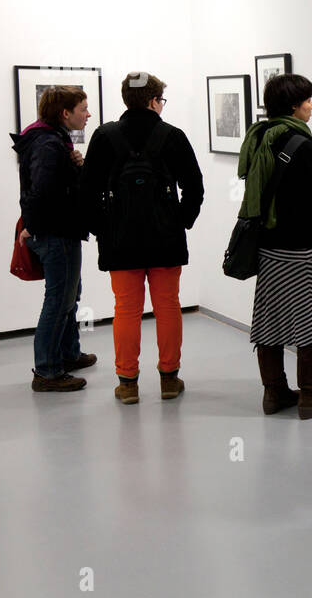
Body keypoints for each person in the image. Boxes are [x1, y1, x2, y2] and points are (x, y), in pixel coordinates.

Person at [81, 72, 204, 405]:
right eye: (161, 100)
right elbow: (194, 186)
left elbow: (87, 190)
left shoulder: (104, 136)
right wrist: (182, 221)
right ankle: (168, 379)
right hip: (165, 237)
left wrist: (100, 227)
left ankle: (128, 383)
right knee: (167, 307)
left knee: (126, 309)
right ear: (153, 101)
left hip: (119, 238)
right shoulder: (172, 136)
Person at [238, 73, 312, 419]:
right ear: (294, 106)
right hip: (306, 248)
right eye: (308, 100)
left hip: (269, 247)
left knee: (270, 318)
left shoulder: (259, 138)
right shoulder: (303, 146)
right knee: (310, 319)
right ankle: (311, 395)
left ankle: (274, 393)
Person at [12, 85, 96, 392]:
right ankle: (47, 371)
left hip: (59, 230)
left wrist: (75, 166)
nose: (88, 114)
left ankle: (67, 354)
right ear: (65, 113)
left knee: (69, 296)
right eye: (83, 108)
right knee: (59, 300)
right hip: (55, 233)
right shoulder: (49, 144)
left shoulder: (51, 140)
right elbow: (41, 192)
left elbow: (52, 185)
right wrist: (32, 227)